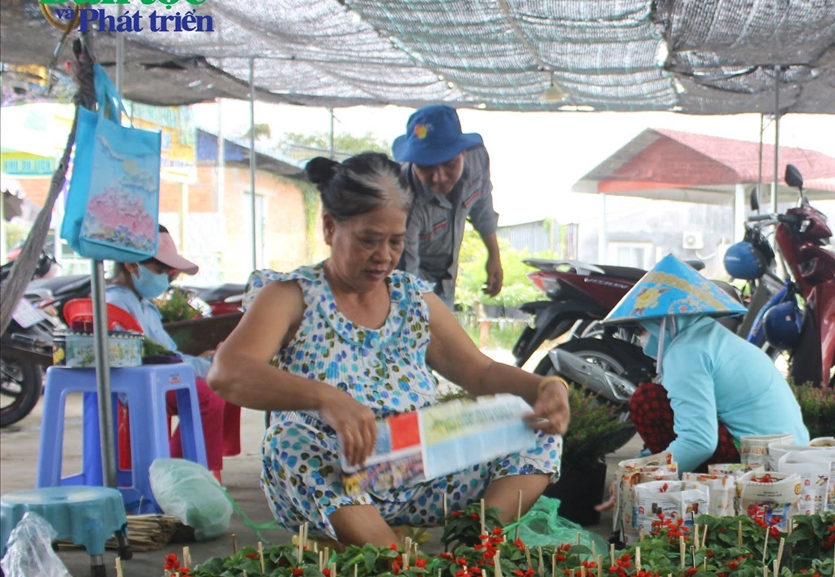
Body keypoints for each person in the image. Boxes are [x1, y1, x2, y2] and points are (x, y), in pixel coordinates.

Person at [209, 153, 569, 546]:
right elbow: (229, 372)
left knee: (537, 431)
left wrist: (544, 387)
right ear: (330, 228)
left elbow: (480, 373)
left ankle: (471, 547)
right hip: (336, 469)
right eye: (368, 240)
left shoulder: (412, 299)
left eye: (395, 241)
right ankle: (399, 567)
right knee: (286, 442)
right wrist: (326, 399)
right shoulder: (292, 295)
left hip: (419, 465)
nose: (383, 255)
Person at [601, 254, 808, 473]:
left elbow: (698, 442)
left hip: (759, 464)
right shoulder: (712, 339)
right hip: (792, 458)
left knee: (646, 400)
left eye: (643, 328)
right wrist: (641, 462)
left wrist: (645, 475)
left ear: (664, 323)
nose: (642, 337)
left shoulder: (685, 352)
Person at [105, 226, 238, 474]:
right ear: (132, 266)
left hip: (164, 375)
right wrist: (203, 366)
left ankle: (200, 464)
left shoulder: (146, 307)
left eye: (168, 273)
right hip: (140, 381)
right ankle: (179, 472)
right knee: (209, 395)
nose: (164, 278)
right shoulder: (115, 303)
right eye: (159, 270)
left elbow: (168, 354)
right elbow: (154, 358)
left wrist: (204, 361)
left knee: (229, 385)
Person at [391, 105, 502, 307]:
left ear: (464, 153)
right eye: (425, 167)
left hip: (447, 277)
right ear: (413, 163)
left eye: (449, 165)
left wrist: (494, 255)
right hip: (413, 278)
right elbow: (406, 276)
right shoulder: (404, 198)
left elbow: (483, 208)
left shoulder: (478, 161)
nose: (439, 177)